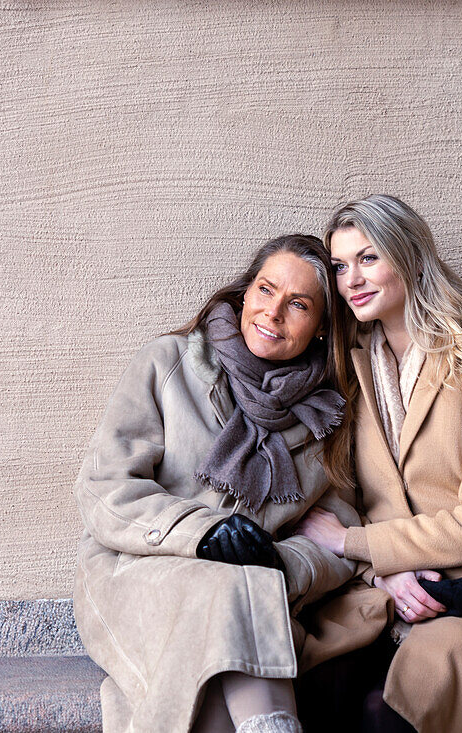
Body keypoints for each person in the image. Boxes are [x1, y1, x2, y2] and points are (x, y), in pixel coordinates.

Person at [293, 195, 462, 733]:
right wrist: (383, 571)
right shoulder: (349, 368)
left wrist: (352, 544)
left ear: (411, 256)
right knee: (313, 688)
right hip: (387, 585)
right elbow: (349, 496)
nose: (352, 279)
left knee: (397, 708)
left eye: (369, 258)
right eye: (340, 266)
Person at [73, 234, 364, 733]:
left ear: (320, 328)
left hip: (250, 596)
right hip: (137, 571)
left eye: (298, 304)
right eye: (266, 291)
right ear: (244, 294)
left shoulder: (326, 417)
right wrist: (201, 534)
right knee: (232, 592)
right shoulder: (168, 365)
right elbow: (105, 488)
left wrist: (279, 563)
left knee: (223, 631)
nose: (273, 313)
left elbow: (342, 535)